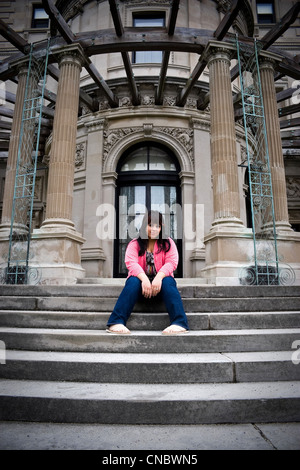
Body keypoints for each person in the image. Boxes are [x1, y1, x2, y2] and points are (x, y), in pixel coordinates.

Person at [106, 210, 190, 335]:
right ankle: (116, 322)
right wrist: (144, 279)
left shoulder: (168, 243)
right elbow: (131, 263)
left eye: (158, 226)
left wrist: (159, 277)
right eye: (151, 225)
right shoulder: (134, 244)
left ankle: (179, 323)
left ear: (161, 228)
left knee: (168, 280)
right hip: (141, 290)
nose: (154, 229)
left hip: (161, 289)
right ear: (145, 226)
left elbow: (172, 262)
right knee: (133, 280)